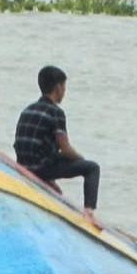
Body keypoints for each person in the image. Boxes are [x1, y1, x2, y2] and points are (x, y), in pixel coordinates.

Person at [13, 65, 102, 228]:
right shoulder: (56, 112)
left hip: (23, 166)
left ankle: (47, 180)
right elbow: (65, 148)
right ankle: (89, 213)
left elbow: (29, 143)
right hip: (40, 167)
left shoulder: (28, 109)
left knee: (51, 155)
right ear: (58, 87)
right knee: (92, 168)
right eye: (64, 87)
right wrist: (81, 160)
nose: (64, 92)